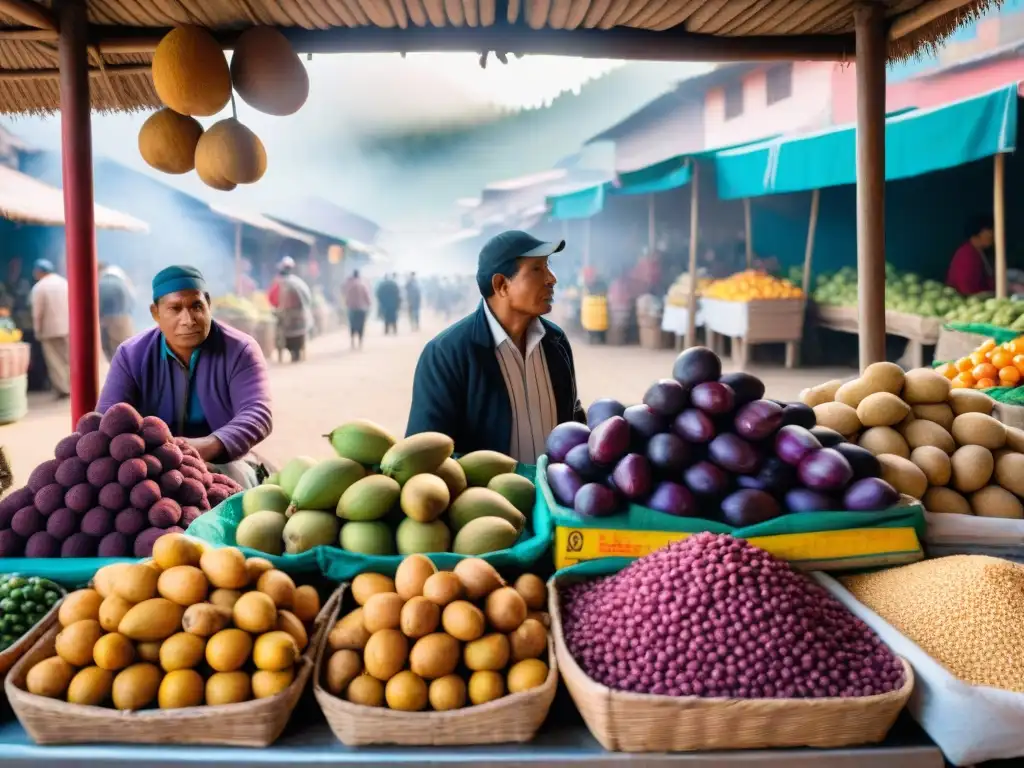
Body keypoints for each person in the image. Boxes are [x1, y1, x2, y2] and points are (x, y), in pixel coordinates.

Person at [406, 230, 585, 463]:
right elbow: (424, 453)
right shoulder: (446, 354)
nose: (552, 278)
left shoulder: (555, 341)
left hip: (551, 497)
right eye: (537, 269)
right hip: (488, 498)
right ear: (501, 284)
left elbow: (572, 417)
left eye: (548, 266)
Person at [96, 265, 271, 490]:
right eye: (175, 308)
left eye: (196, 306)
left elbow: (258, 414)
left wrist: (207, 445)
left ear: (208, 303)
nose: (188, 319)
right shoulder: (131, 355)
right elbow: (107, 418)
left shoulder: (241, 349)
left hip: (226, 460)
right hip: (152, 465)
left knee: (237, 495)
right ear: (155, 313)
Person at [30, 259, 70, 399]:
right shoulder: (64, 283)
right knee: (68, 359)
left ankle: (63, 389)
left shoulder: (39, 287)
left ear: (39, 272)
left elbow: (37, 313)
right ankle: (74, 387)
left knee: (55, 361)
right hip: (68, 327)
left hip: (49, 330)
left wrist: (37, 330)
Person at [274, 257, 314, 363]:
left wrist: (280, 309)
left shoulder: (285, 284)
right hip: (301, 315)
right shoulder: (298, 282)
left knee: (287, 337)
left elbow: (283, 302)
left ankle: (293, 354)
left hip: (291, 316)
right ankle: (296, 354)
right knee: (297, 338)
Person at [947, 216, 996, 296]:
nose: (993, 233)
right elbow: (965, 289)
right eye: (989, 229)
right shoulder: (967, 254)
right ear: (976, 233)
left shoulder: (980, 251)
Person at [98, 262, 135, 362]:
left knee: (111, 353)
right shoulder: (121, 279)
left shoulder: (100, 283)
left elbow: (97, 304)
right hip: (124, 319)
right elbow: (131, 299)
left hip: (105, 321)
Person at [342, 269, 372, 350]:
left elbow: (345, 296)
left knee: (352, 325)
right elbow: (367, 297)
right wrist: (369, 304)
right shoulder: (363, 284)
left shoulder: (349, 285)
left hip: (352, 309)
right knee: (361, 326)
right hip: (361, 309)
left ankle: (352, 341)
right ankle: (360, 341)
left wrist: (347, 304)